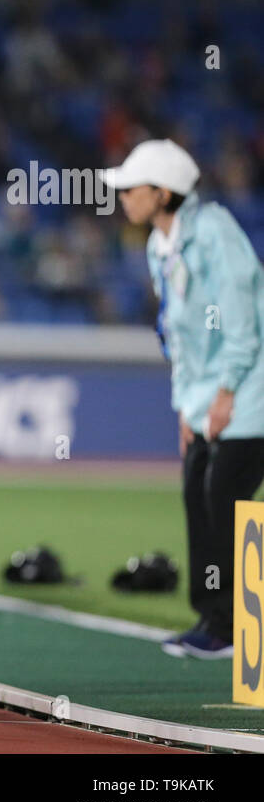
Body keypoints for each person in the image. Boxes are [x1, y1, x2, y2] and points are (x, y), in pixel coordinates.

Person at [108, 137, 264, 659]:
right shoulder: (161, 243)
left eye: (132, 188)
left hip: (249, 388)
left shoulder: (214, 232)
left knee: (225, 496)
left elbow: (242, 319)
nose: (123, 197)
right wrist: (186, 404)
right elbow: (179, 333)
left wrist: (225, 392)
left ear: (163, 192)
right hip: (208, 394)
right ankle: (211, 617)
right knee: (198, 490)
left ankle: (235, 626)